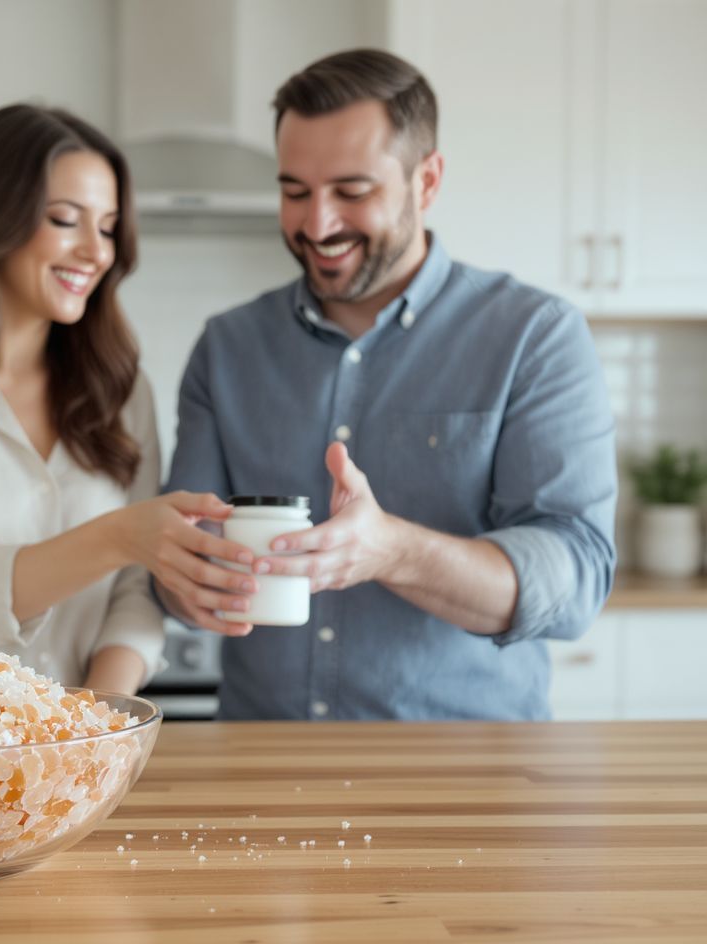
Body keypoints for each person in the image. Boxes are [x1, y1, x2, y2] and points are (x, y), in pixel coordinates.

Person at [156, 49, 617, 720]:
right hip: (262, 769)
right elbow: (176, 568)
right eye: (294, 191)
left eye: (351, 191)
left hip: (462, 776)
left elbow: (574, 580)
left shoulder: (533, 336)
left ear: (426, 182)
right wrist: (185, 581)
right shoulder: (227, 348)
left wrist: (393, 552)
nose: (317, 224)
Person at [0, 104, 254, 695]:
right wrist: (119, 535)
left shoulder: (119, 387)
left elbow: (135, 591)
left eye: (107, 228)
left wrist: (96, 721)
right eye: (65, 219)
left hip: (74, 748)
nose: (96, 251)